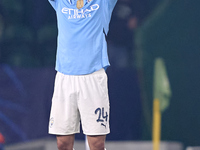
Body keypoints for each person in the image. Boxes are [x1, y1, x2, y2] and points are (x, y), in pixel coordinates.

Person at [48, 0, 117, 150]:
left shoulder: (103, 2)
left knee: (97, 143)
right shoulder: (61, 2)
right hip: (65, 77)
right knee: (63, 143)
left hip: (93, 77)